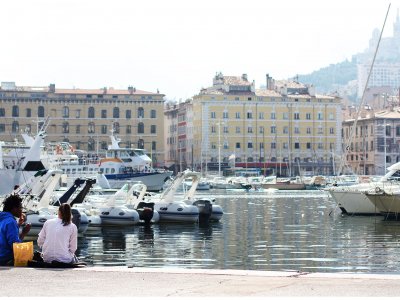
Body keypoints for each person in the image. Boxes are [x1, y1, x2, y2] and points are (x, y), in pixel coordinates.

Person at [0, 194, 31, 266]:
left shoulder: (3, 219)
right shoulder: (11, 222)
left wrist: (18, 225)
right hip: (5, 259)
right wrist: (24, 233)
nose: (22, 211)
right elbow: (15, 247)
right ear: (14, 209)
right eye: (21, 208)